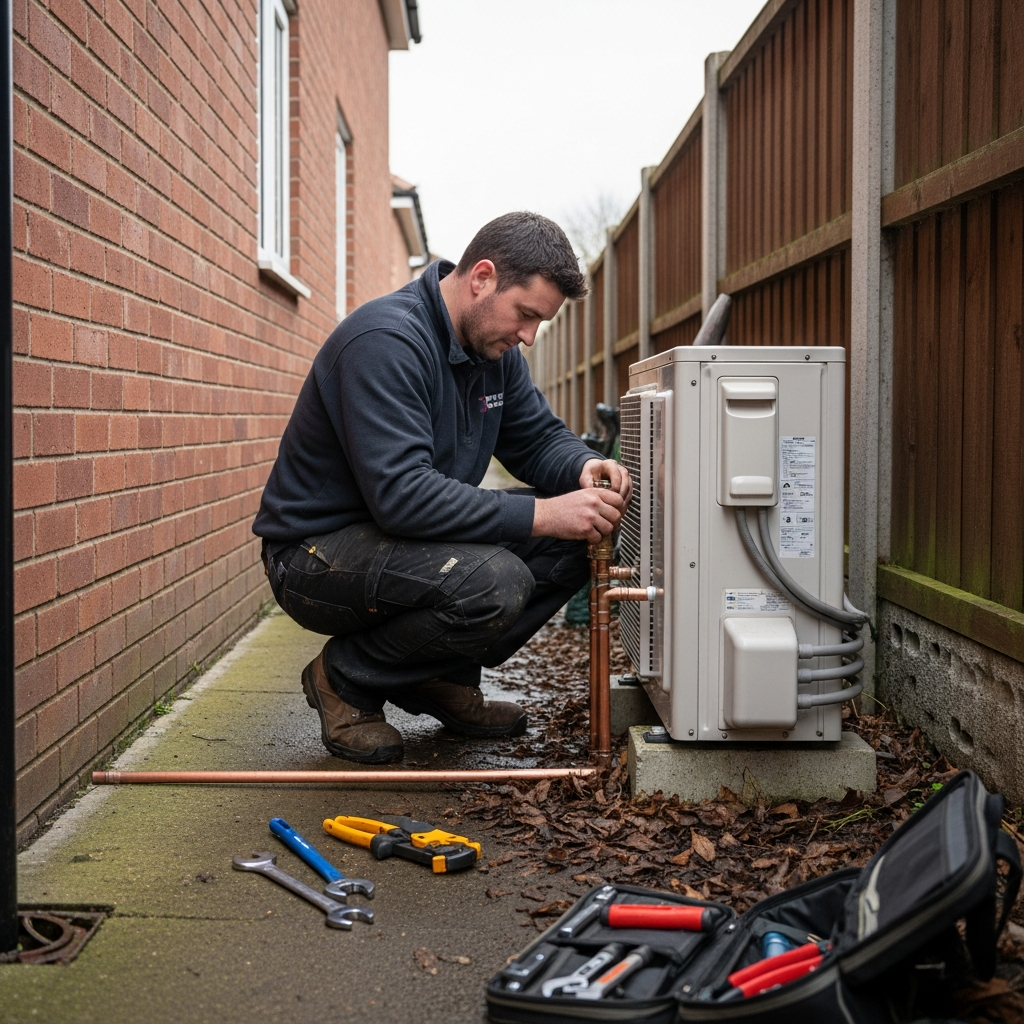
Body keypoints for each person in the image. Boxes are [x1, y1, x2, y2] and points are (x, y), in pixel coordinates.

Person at [252, 212, 631, 763]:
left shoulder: (493, 355)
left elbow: (536, 438)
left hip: (402, 543)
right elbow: (405, 497)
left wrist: (582, 467)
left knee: (587, 529)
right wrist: (544, 515)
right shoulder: (386, 341)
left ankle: (436, 677)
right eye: (525, 315)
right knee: (492, 582)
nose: (528, 335)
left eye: (538, 323)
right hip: (315, 555)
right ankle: (345, 679)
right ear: (481, 278)